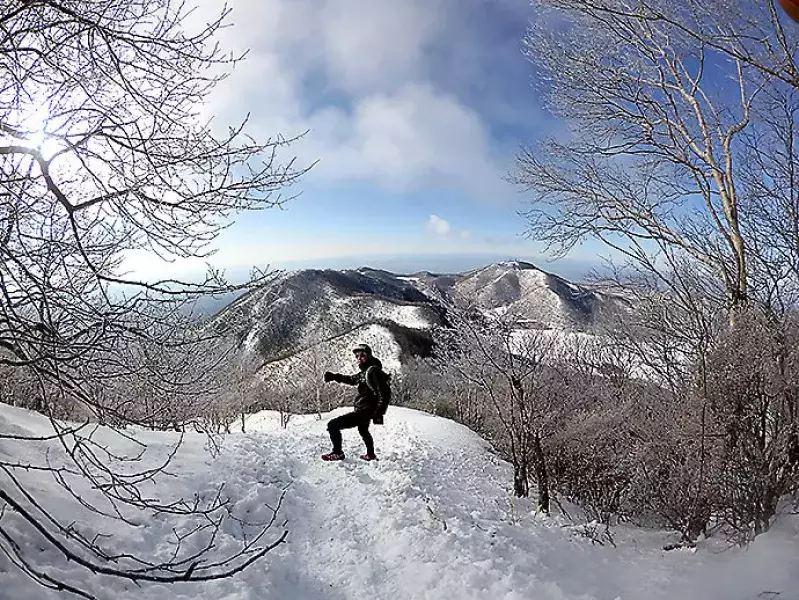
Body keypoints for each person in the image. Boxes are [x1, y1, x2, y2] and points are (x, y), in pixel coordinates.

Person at [321, 343, 388, 461]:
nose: (359, 358)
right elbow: (351, 379)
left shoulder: (373, 371)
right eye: (357, 356)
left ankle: (338, 453)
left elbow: (385, 392)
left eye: (362, 355)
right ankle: (371, 455)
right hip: (364, 409)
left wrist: (379, 412)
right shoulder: (365, 372)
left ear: (369, 356)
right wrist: (334, 377)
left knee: (332, 425)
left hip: (365, 410)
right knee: (363, 430)